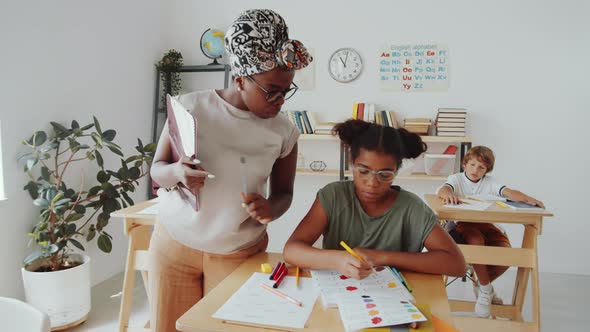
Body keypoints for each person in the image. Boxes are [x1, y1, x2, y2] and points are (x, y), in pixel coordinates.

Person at [148, 9, 312, 331]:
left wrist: (269, 209)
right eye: (271, 91)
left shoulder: (284, 132)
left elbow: (284, 194)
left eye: (286, 91)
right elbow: (157, 170)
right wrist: (178, 173)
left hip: (237, 253)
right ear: (239, 78)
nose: (280, 101)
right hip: (174, 247)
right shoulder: (190, 108)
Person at [283, 120, 466, 282]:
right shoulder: (334, 196)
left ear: (396, 171)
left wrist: (382, 257)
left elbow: (456, 265)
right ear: (351, 163)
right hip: (340, 296)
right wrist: (338, 259)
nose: (372, 183)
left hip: (395, 301)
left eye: (385, 175)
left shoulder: (411, 207)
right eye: (363, 171)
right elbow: (291, 251)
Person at [436, 145, 545, 318]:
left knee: (506, 255)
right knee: (476, 240)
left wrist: (529, 199)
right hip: (461, 227)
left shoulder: (490, 182)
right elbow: (444, 189)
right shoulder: (456, 179)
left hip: (487, 226)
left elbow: (509, 192)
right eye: (472, 165)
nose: (475, 170)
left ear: (486, 170)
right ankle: (486, 291)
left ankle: (481, 284)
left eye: (481, 167)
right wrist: (447, 194)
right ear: (465, 164)